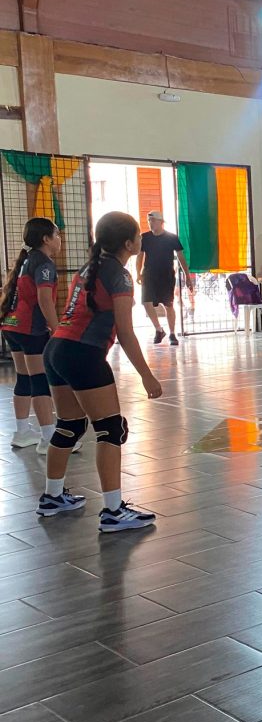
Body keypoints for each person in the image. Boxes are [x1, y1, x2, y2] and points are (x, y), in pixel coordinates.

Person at [39, 211, 162, 532]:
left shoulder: (88, 267)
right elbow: (125, 332)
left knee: (69, 425)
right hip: (83, 354)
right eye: (138, 235)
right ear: (128, 244)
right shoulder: (119, 276)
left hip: (57, 349)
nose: (140, 240)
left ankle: (52, 497)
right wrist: (146, 375)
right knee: (110, 429)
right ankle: (113, 511)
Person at [1, 218, 60, 453]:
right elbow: (45, 300)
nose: (60, 239)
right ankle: (48, 438)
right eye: (56, 234)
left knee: (24, 378)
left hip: (12, 325)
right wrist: (57, 329)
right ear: (46, 239)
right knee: (39, 380)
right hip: (30, 329)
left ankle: (22, 432)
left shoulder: (27, 259)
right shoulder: (44, 264)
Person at [137, 210, 192, 346]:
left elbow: (180, 256)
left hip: (166, 275)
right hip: (149, 274)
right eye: (149, 221)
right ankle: (158, 329)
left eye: (153, 220)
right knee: (146, 302)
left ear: (161, 222)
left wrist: (187, 275)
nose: (150, 223)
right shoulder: (145, 238)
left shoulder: (172, 238)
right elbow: (140, 256)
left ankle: (172, 333)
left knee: (168, 304)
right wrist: (138, 273)